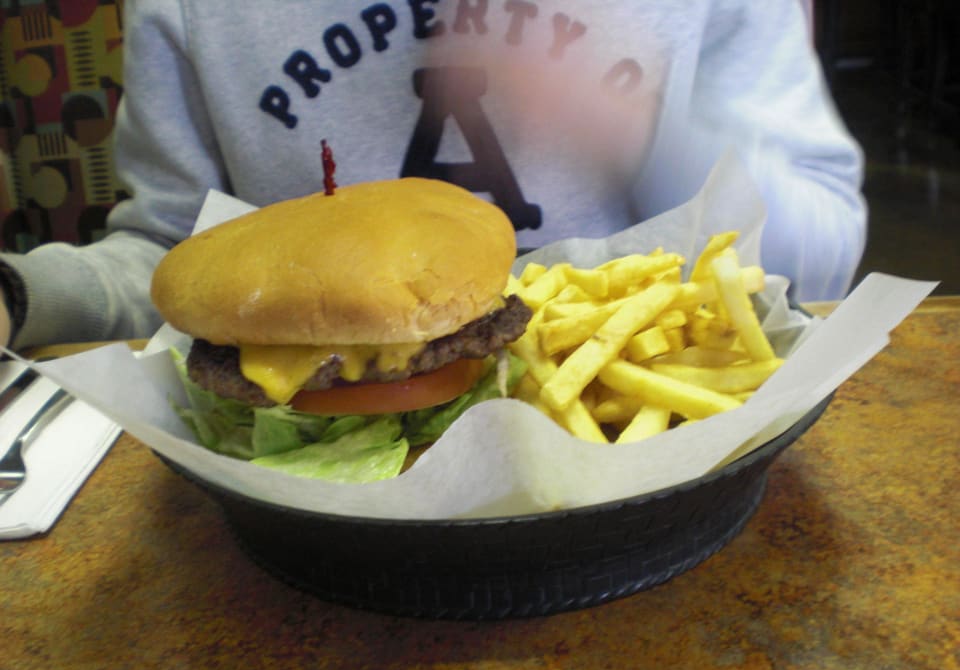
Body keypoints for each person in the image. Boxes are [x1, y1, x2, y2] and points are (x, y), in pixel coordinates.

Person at [0, 0, 866, 350]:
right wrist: (21, 296)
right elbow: (171, 256)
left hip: (656, 474)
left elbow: (820, 255)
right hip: (311, 525)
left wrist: (623, 127)